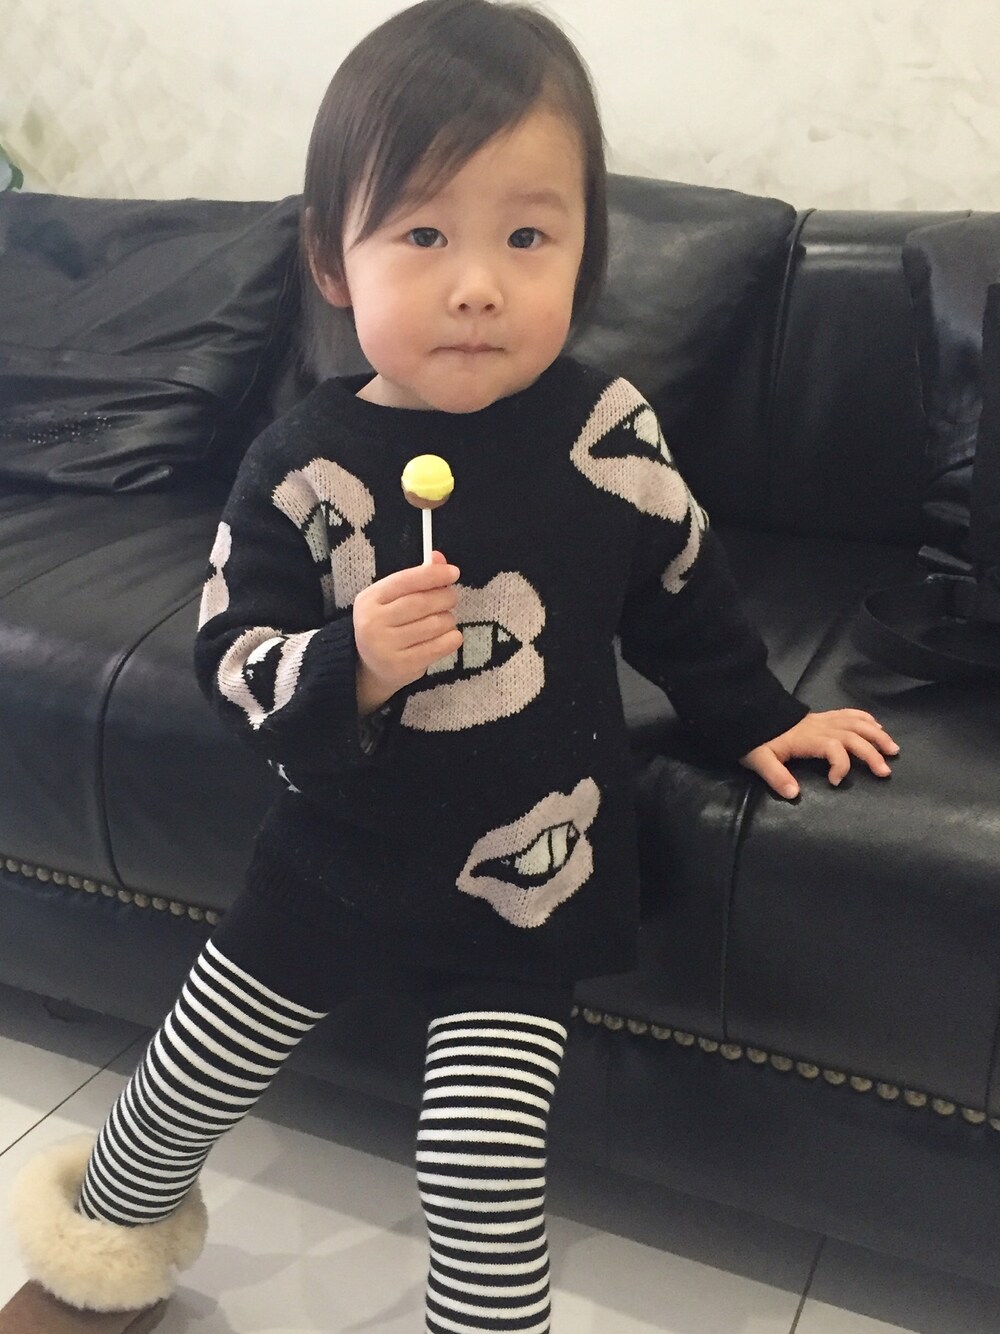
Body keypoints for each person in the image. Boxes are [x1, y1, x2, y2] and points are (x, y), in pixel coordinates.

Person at [1, 2, 900, 1332]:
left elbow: (681, 592)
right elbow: (232, 653)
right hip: (330, 858)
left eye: (527, 237)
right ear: (332, 255)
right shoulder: (297, 467)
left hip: (529, 875)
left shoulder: (608, 428)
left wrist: (759, 715)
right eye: (424, 234)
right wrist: (350, 661)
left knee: (482, 1172)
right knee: (181, 1083)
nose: (478, 283)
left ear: (586, 251)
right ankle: (99, 1257)